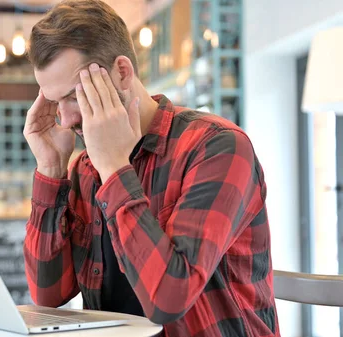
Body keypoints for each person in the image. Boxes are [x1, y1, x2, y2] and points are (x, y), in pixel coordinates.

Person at [22, 1, 280, 336]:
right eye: (56, 102)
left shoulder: (216, 147)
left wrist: (115, 167)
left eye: (74, 96)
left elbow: (169, 300)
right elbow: (48, 294)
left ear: (123, 72)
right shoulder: (85, 168)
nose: (67, 120)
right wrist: (51, 168)